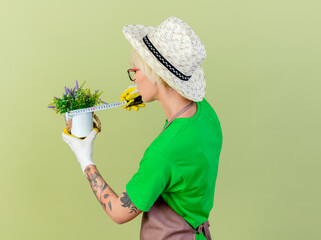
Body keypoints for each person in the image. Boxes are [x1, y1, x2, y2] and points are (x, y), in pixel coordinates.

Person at [62, 16, 223, 240]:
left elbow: (119, 212)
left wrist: (85, 159)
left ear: (155, 75)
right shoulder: (206, 114)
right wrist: (150, 92)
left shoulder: (163, 153)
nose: (133, 77)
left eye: (135, 71)